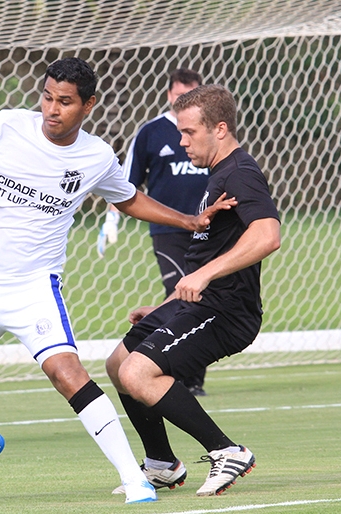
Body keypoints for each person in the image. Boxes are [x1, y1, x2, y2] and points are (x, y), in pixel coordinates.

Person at [0, 57, 228, 503]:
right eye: (47, 97)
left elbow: (129, 198)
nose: (52, 109)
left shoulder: (96, 156)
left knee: (66, 372)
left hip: (34, 287)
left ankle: (134, 478)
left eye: (64, 101)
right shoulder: (5, 126)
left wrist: (188, 220)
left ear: (88, 105)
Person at [105, 84, 281, 498]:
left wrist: (203, 276)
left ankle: (227, 451)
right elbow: (206, 261)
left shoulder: (239, 173)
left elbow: (268, 236)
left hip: (227, 310)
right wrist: (165, 305)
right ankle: (162, 464)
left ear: (219, 129)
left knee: (137, 373)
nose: (182, 141)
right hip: (197, 303)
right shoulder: (217, 176)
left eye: (189, 132)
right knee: (118, 363)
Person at [98, 68, 211, 396]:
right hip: (168, 230)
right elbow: (126, 184)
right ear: (168, 95)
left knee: (202, 295)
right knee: (180, 291)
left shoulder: (209, 133)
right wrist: (111, 221)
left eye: (191, 95)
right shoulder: (151, 132)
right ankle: (165, 368)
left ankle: (191, 376)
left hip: (209, 229)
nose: (183, 100)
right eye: (179, 95)